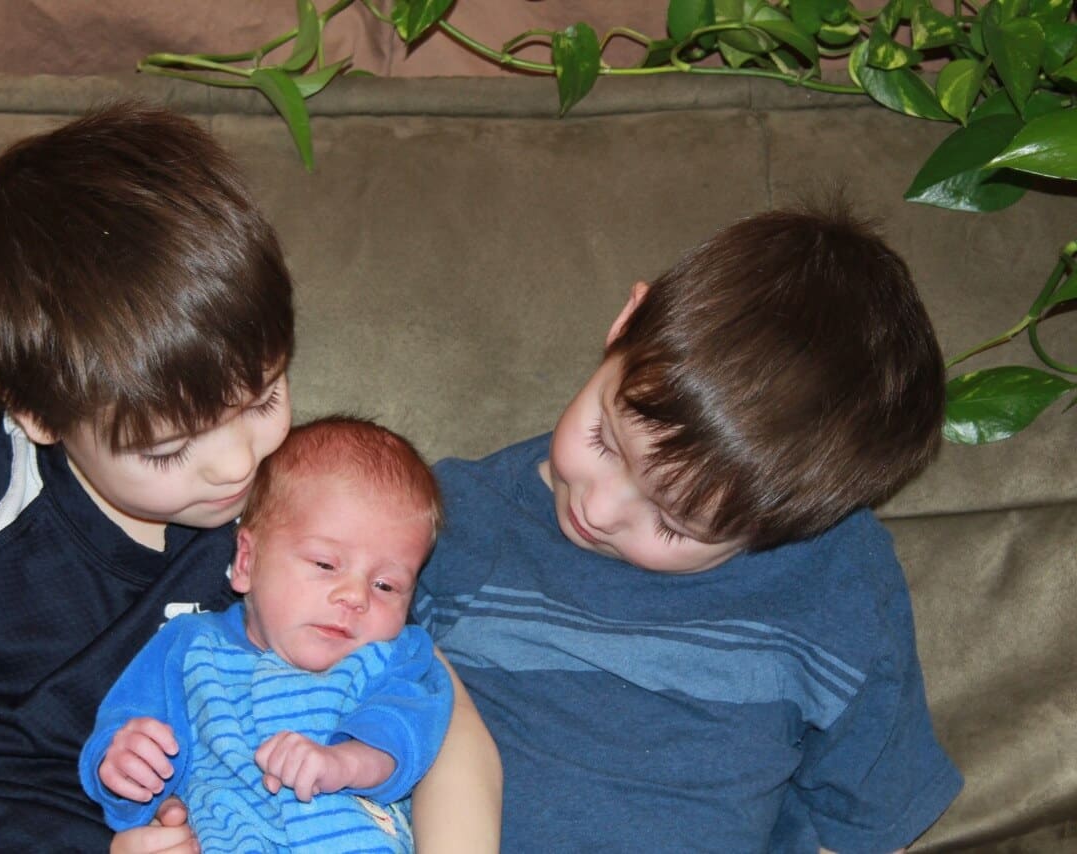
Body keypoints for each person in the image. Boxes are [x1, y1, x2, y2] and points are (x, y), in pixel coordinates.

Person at [0, 103, 499, 854]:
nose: (237, 465)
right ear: (40, 415)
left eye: (264, 398)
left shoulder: (296, 494)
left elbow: (433, 704)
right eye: (168, 450)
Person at [413, 203, 964, 852]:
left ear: (788, 527)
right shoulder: (446, 518)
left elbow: (868, 823)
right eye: (605, 440)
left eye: (673, 523)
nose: (598, 509)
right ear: (627, 323)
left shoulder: (840, 586)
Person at [80, 417, 451, 853]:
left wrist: (344, 763)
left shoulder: (396, 656)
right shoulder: (189, 646)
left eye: (385, 586)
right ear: (246, 562)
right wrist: (124, 765)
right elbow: (127, 731)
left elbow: (409, 731)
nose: (355, 596)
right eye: (325, 564)